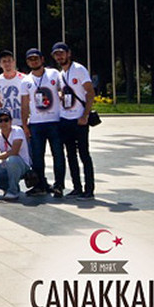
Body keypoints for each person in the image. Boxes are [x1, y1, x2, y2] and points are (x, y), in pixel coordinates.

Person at [52, 42, 96, 198]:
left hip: (79, 119)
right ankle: (77, 187)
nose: (59, 56)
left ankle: (89, 189)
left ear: (68, 53)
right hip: (65, 118)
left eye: (62, 53)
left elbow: (90, 93)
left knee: (84, 154)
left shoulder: (79, 69)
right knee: (70, 155)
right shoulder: (60, 74)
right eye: (56, 54)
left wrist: (85, 115)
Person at [20, 48, 65, 197]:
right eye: (30, 59)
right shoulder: (26, 81)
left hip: (54, 121)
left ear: (42, 59)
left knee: (58, 154)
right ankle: (40, 185)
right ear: (27, 62)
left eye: (36, 58)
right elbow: (25, 104)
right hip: (36, 123)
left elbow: (64, 90)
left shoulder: (54, 73)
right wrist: (25, 125)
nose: (34, 61)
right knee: (37, 157)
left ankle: (59, 185)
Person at [0, 50, 26, 122]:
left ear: (14, 62)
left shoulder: (24, 79)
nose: (7, 63)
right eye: (4, 61)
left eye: (9, 61)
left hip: (21, 121)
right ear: (0, 64)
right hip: (4, 122)